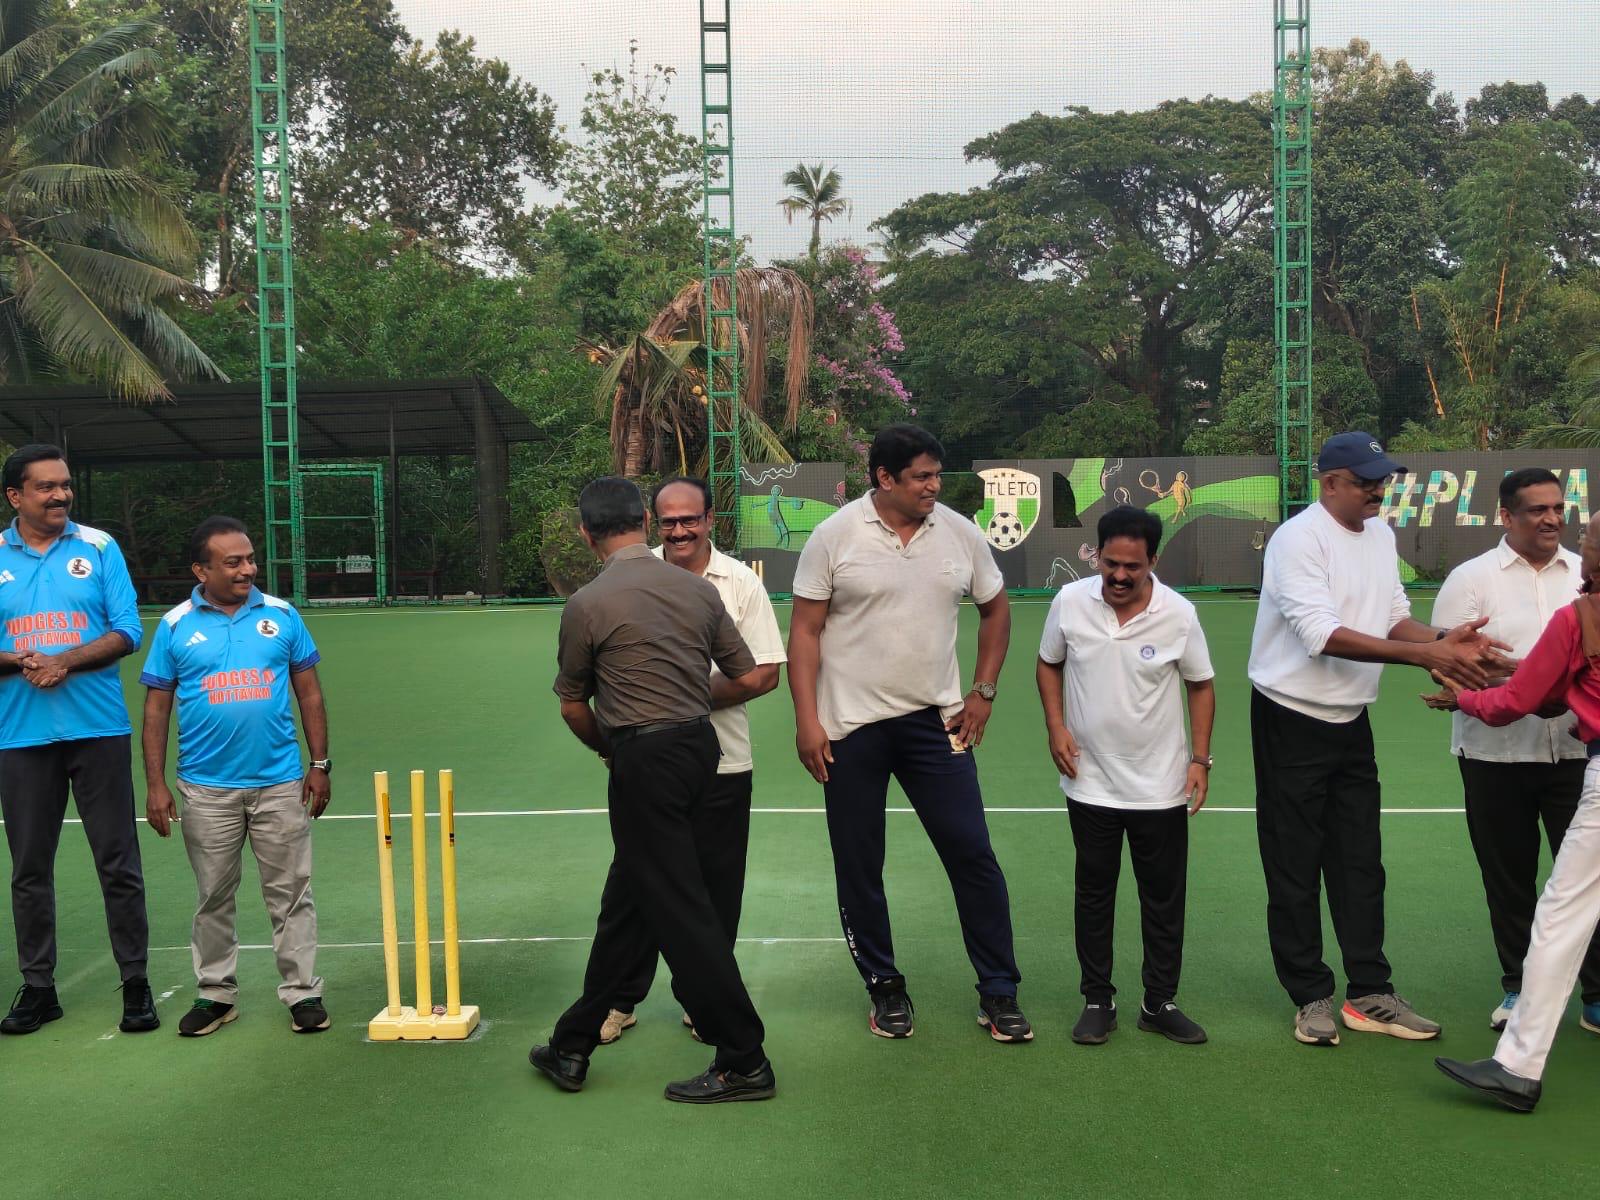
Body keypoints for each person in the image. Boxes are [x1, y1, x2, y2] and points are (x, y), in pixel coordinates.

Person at [1247, 431, 1509, 1047]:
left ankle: (1369, 991)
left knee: (1361, 859)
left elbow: (1393, 614)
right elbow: (1323, 633)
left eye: (1381, 480)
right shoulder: (1297, 539)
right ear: (1328, 481)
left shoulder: (1380, 536)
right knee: (1293, 863)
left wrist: (1443, 638)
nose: (1376, 490)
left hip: (1351, 719)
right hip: (1290, 717)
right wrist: (1426, 656)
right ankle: (1309, 994)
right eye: (1365, 481)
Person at [529, 476, 776, 1103]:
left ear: (587, 535)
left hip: (646, 759)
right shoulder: (696, 590)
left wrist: (618, 747)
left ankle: (745, 1058)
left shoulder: (587, 601)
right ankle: (572, 1044)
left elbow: (572, 706)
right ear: (645, 519)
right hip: (703, 752)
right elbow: (748, 673)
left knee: (679, 909)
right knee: (632, 901)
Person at [789, 423, 1030, 1043]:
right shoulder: (834, 536)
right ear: (885, 478)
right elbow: (806, 633)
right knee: (860, 865)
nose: (934, 486)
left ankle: (999, 992)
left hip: (936, 725)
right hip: (849, 730)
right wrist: (808, 721)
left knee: (973, 856)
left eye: (937, 475)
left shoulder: (960, 532)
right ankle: (885, 988)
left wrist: (982, 691)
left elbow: (997, 609)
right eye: (921, 476)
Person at [598, 476, 786, 1046]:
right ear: (655, 523)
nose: (680, 530)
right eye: (669, 521)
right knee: (631, 885)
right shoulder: (628, 577)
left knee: (717, 888)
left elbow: (764, 672)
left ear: (710, 520)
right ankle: (616, 999)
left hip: (724, 763)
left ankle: (702, 999)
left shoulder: (739, 584)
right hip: (647, 766)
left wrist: (676, 699)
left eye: (691, 519)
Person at [139, 517, 332, 1037]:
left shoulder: (282, 615)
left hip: (279, 782)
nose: (247, 569)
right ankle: (216, 995)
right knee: (213, 896)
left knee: (291, 892)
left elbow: (308, 692)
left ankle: (302, 993)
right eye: (233, 562)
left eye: (249, 559)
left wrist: (318, 765)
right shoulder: (176, 625)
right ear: (201, 569)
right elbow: (157, 709)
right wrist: (155, 784)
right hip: (204, 787)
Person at [1433, 511, 1600, 1113]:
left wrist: (1466, 697)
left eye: (1589, 539)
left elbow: (1521, 701)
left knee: (1559, 917)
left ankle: (1518, 1068)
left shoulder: (1578, 616)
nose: (1578, 542)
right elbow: (1554, 688)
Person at [1036, 505, 1215, 1047]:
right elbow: (1049, 662)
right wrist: (1055, 726)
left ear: (1153, 561)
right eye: (1109, 562)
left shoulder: (1178, 614)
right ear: (1097, 555)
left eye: (1130, 567)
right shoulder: (1070, 601)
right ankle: (1097, 999)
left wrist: (1199, 760)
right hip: (1089, 780)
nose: (1117, 576)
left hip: (1160, 785)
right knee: (1094, 893)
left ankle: (1159, 1002)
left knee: (1162, 897)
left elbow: (1200, 685)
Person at [0, 444, 156, 1035]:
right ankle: (39, 988)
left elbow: (127, 632)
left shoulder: (99, 546)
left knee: (118, 862)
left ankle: (136, 984)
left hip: (99, 731)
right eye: (46, 487)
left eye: (65, 485)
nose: (61, 495)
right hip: (20, 736)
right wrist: (22, 661)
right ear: (16, 495)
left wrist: (62, 660)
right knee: (29, 868)